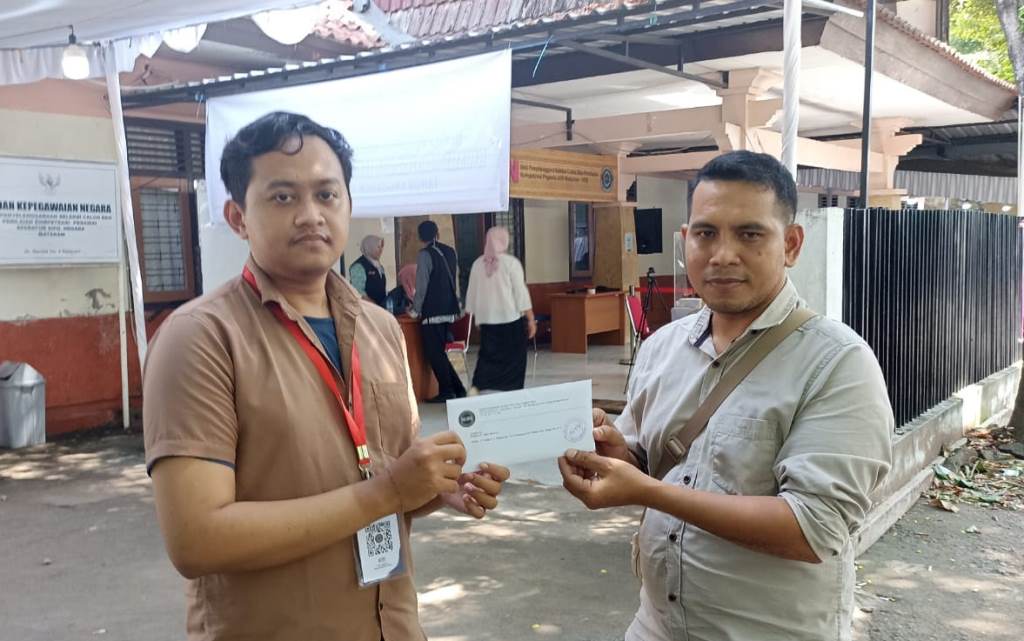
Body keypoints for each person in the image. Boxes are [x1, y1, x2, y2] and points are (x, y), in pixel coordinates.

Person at [143, 111, 509, 641]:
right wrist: (387, 492)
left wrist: (438, 486)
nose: (310, 215)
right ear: (238, 217)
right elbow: (198, 539)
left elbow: (388, 470)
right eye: (282, 196)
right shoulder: (200, 338)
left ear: (349, 206)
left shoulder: (380, 328)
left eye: (327, 194)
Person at [558, 150, 893, 641]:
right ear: (685, 240)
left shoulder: (837, 363)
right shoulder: (662, 347)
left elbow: (814, 527)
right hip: (655, 626)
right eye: (706, 233)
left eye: (749, 234)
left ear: (791, 244)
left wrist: (645, 491)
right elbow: (653, 462)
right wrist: (618, 455)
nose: (722, 255)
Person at [464, 226, 535, 392]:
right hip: (510, 319)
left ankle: (478, 386)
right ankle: (511, 390)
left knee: (487, 356)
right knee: (514, 358)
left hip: (487, 320)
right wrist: (531, 319)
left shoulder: (477, 264)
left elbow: (471, 293)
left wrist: (474, 316)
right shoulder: (511, 263)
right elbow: (520, 294)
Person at [409, 220, 466, 402]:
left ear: (420, 237)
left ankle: (447, 391)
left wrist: (415, 310)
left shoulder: (425, 254)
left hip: (432, 311)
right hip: (449, 308)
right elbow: (453, 279)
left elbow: (422, 285)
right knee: (445, 351)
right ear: (437, 233)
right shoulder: (450, 251)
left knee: (435, 353)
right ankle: (459, 388)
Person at [349, 234, 388, 307]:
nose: (381, 250)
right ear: (369, 247)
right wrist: (375, 307)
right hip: (365, 309)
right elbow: (359, 293)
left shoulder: (379, 267)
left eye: (381, 247)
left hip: (379, 308)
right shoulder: (358, 267)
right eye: (378, 247)